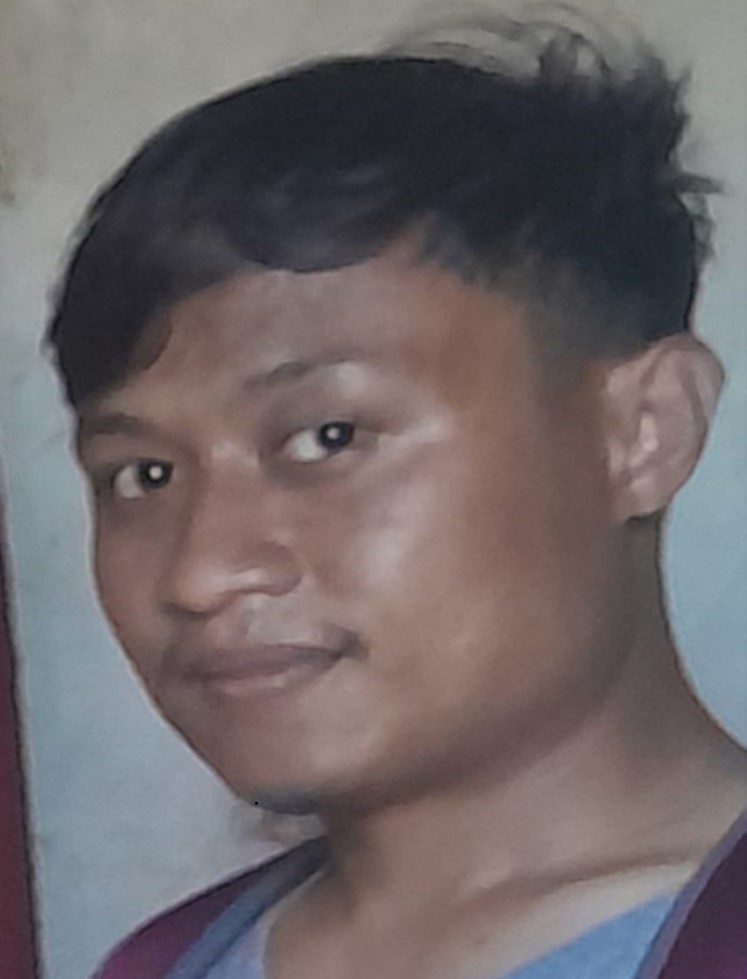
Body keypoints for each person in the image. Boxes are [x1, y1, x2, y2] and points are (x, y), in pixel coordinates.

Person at [48, 9, 747, 979]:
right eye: (143, 474)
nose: (201, 573)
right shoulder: (165, 961)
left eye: (329, 437)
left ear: (644, 430)